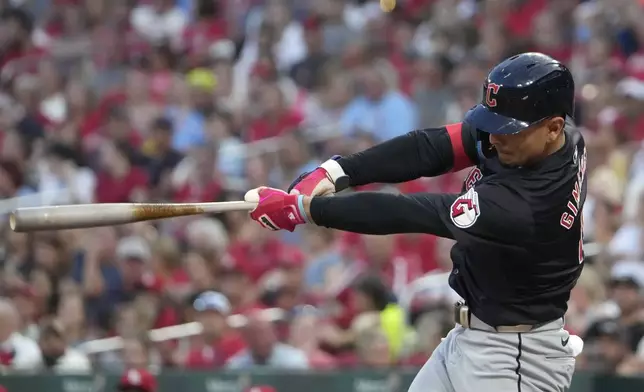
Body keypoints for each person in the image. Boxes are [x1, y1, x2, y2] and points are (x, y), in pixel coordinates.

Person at [243, 53, 587, 391]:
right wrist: (338, 170)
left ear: (553, 127)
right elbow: (432, 148)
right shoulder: (554, 137)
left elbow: (407, 211)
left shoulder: (526, 205)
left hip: (514, 358)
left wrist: (304, 210)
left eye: (507, 130)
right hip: (475, 336)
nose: (494, 138)